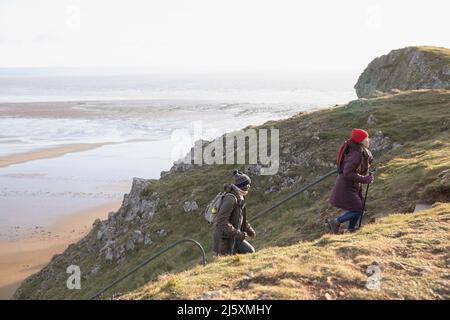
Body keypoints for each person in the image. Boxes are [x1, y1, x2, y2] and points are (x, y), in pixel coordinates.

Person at [328, 128, 374, 233]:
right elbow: (348, 172)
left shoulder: (359, 150)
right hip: (346, 186)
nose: (368, 140)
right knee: (358, 209)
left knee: (358, 208)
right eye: (366, 138)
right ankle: (336, 222)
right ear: (360, 141)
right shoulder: (356, 153)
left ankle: (351, 229)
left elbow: (363, 162)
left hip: (351, 185)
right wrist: (365, 179)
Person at [213, 170, 256, 255]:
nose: (249, 187)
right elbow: (222, 221)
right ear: (242, 186)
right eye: (247, 185)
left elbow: (240, 218)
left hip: (233, 237)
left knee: (249, 251)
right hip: (224, 240)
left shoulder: (240, 197)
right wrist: (239, 234)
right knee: (228, 263)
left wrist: (249, 230)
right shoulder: (231, 199)